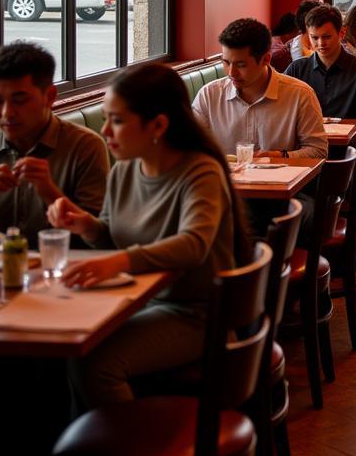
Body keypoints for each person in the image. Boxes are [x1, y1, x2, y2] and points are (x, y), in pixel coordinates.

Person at [48, 63, 245, 409]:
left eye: (118, 120)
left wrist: (121, 261)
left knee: (94, 365)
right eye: (106, 118)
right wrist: (86, 226)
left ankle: (122, 455)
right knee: (65, 349)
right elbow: (112, 237)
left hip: (196, 314)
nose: (106, 131)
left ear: (158, 125)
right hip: (138, 303)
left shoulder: (201, 170)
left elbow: (194, 245)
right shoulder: (123, 170)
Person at [0, 42, 109, 247]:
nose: (7, 113)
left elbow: (101, 239)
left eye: (20, 100)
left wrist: (49, 192)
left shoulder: (85, 146)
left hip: (67, 271)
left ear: (50, 96)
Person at [192, 18, 327, 159]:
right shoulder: (209, 96)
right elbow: (189, 148)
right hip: (225, 180)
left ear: (266, 59)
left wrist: (280, 156)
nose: (231, 72)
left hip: (280, 179)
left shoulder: (300, 95)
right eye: (226, 63)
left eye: (241, 65)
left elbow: (318, 151)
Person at [284, 4, 356, 119]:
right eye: (314, 38)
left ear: (341, 33)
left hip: (352, 136)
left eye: (327, 37)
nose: (320, 43)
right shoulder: (296, 70)